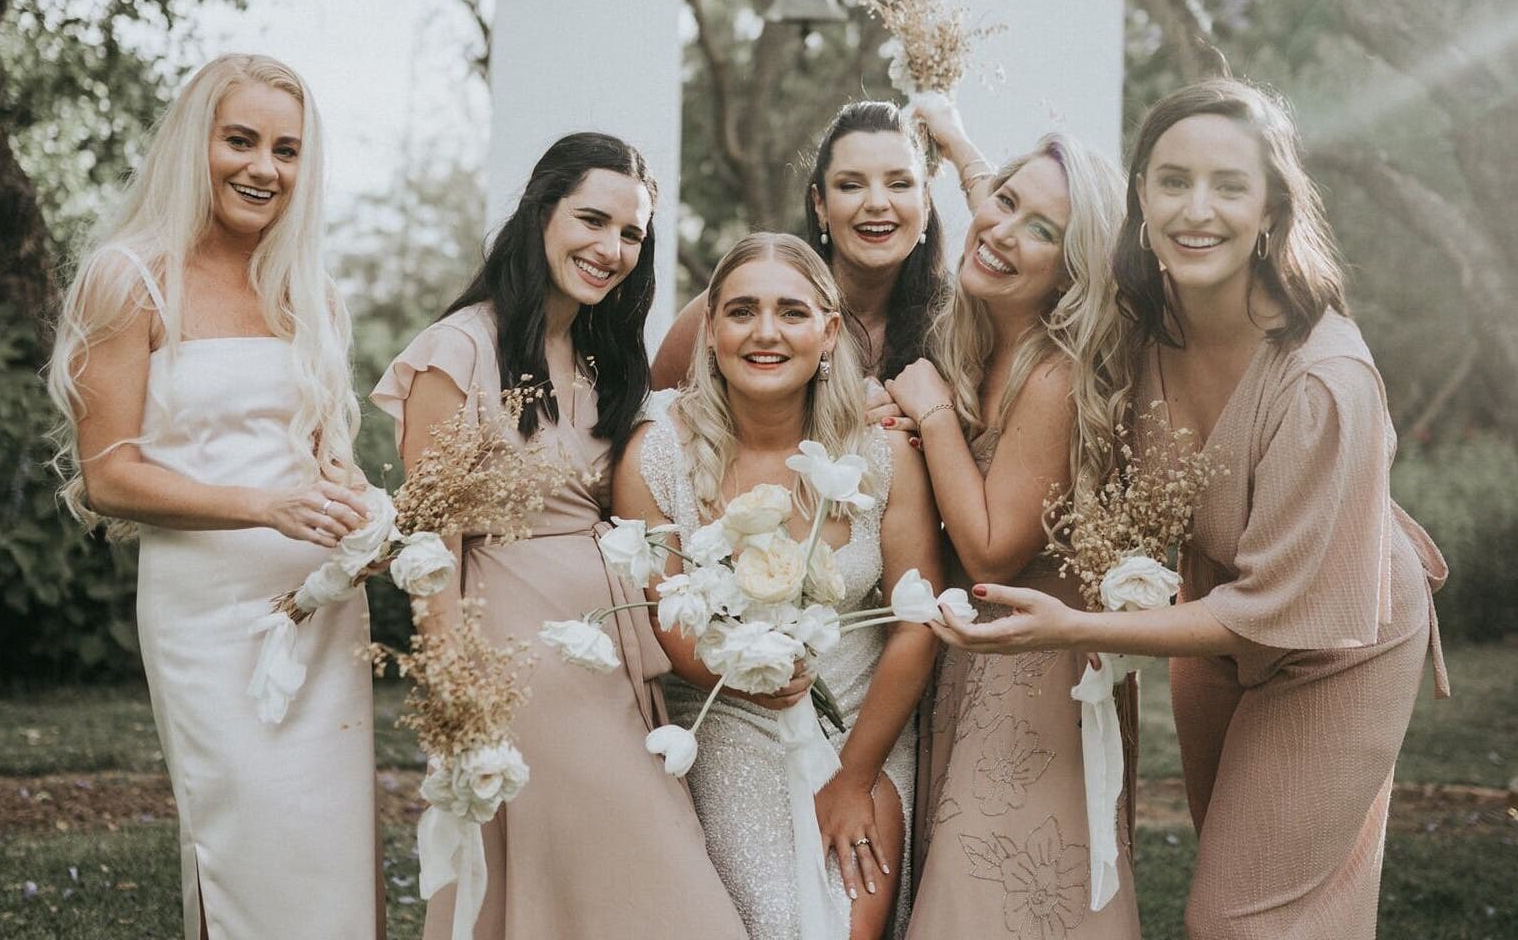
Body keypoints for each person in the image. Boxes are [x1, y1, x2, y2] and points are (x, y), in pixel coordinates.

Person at [933, 79, 1449, 940]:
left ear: (1272, 209)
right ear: (1140, 197)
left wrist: (1069, 628)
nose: (1194, 210)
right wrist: (954, 144)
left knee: (1240, 918)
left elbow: (1274, 613)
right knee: (1251, 883)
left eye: (1227, 186)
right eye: (1171, 181)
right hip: (1215, 620)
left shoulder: (1326, 382)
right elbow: (1020, 230)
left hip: (1336, 639)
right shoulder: (1139, 307)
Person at [371, 133, 747, 940]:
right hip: (518, 661)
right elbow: (427, 546)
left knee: (597, 891)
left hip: (612, 654)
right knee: (663, 890)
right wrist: (458, 700)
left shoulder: (603, 358)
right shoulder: (457, 351)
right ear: (541, 211)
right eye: (592, 220)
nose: (610, 249)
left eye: (632, 234)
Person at [48, 54, 380, 938]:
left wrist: (351, 496)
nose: (262, 168)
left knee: (328, 843)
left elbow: (323, 454)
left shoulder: (312, 292)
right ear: (195, 143)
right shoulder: (129, 279)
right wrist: (262, 506)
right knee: (241, 837)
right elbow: (109, 476)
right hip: (207, 613)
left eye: (286, 150)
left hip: (320, 611)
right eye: (239, 140)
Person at [616, 232, 944, 940]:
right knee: (771, 923)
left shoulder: (880, 451)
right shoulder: (657, 454)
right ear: (710, 331)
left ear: (828, 332)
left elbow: (915, 624)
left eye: (791, 313)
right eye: (741, 312)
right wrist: (743, 676)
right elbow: (667, 621)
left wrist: (854, 777)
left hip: (863, 726)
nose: (765, 333)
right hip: (723, 721)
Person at [882, 108, 1142, 938]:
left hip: (1035, 679)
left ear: (1071, 271)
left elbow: (991, 543)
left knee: (994, 902)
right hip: (973, 665)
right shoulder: (979, 334)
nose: (999, 231)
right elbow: (998, 211)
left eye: (1041, 232)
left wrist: (929, 416)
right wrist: (955, 141)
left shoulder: (1055, 377)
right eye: (999, 201)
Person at [652, 101, 950, 432]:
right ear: (819, 204)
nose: (877, 203)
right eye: (851, 185)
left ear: (925, 200)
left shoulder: (954, 322)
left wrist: (960, 147)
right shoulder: (741, 307)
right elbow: (650, 429)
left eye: (899, 184)